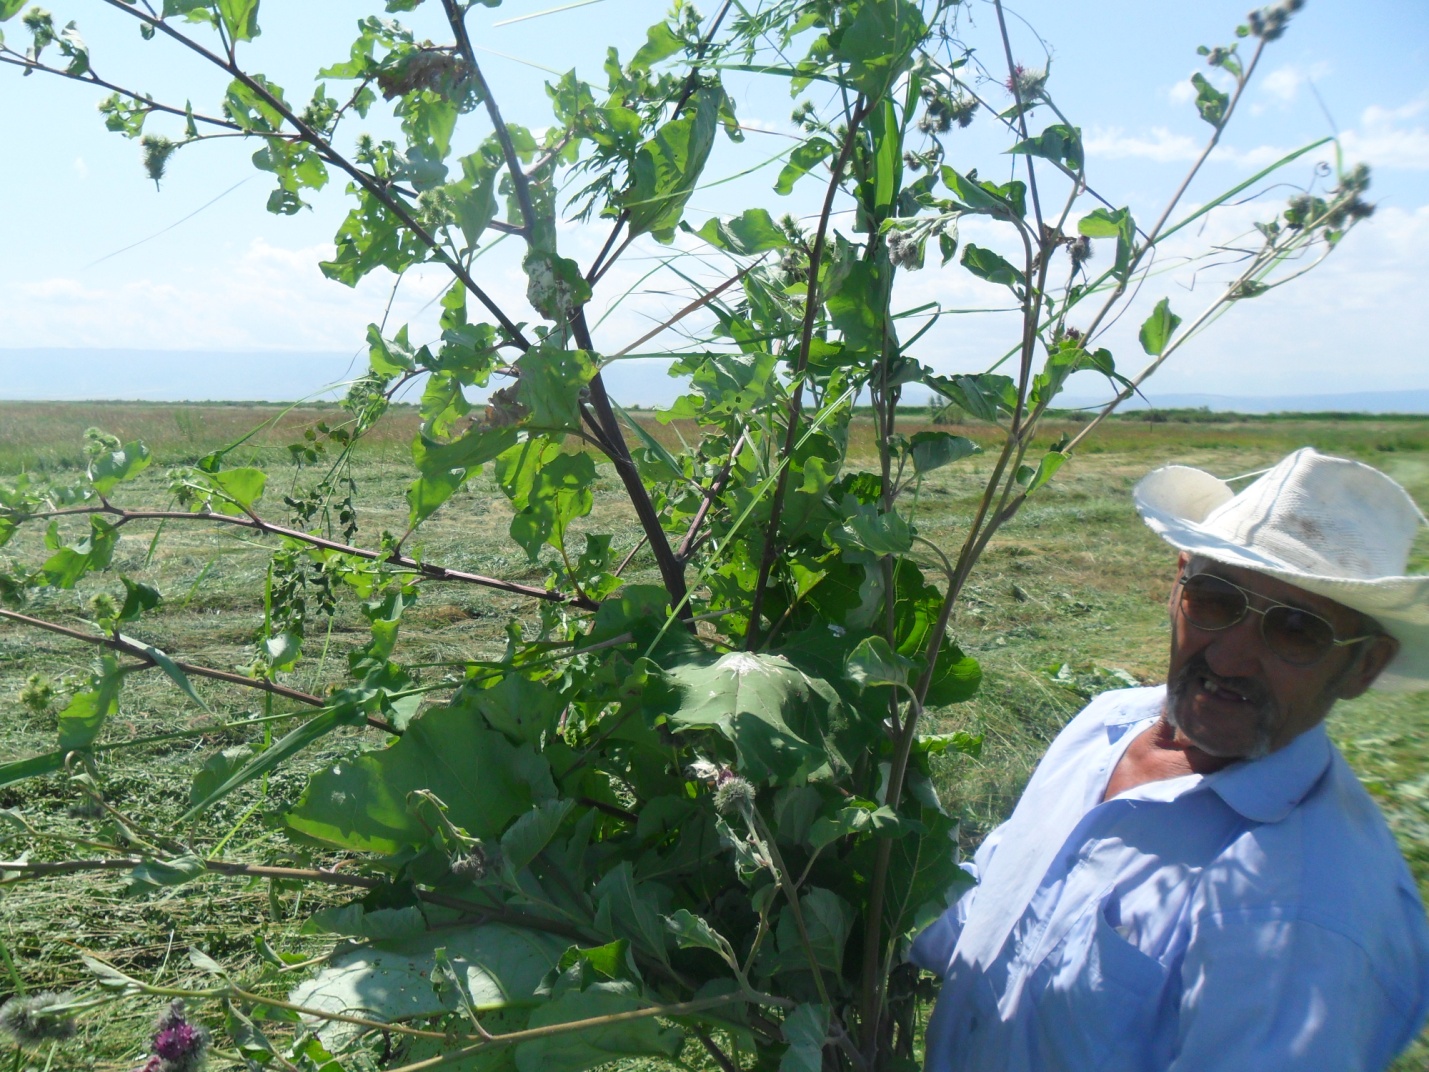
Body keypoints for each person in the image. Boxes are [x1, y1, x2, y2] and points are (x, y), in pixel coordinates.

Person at [910, 447, 1429, 1071]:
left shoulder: (1306, 921)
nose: (1232, 657)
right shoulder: (1107, 722)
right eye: (1215, 599)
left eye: (1296, 629)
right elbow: (1002, 883)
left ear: (1363, 665)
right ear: (1177, 583)